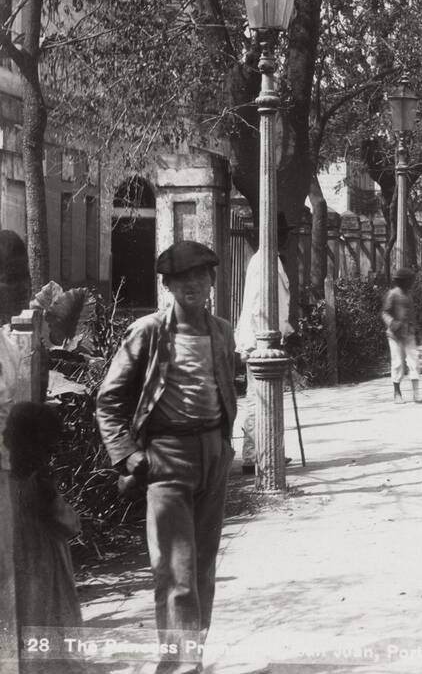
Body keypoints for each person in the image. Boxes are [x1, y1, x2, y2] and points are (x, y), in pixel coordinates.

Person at [96, 240, 238, 674]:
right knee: (175, 571)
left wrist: (227, 446)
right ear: (169, 287)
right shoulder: (149, 332)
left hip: (213, 455)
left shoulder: (222, 331)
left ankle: (192, 657)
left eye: (200, 276)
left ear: (213, 280)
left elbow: (225, 387)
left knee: (204, 569)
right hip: (167, 457)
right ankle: (179, 666)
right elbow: (109, 399)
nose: (193, 285)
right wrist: (128, 456)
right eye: (182, 279)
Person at [5, 401, 83, 669]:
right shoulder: (39, 486)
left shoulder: (7, 485)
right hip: (46, 573)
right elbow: (71, 525)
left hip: (17, 574)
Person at [233, 243, 292, 474]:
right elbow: (259, 305)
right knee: (258, 399)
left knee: (260, 399)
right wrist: (267, 339)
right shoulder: (263, 262)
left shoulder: (270, 260)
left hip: (262, 338)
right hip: (260, 340)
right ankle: (256, 456)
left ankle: (262, 453)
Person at [382, 267, 422, 403]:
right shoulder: (392, 294)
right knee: (397, 363)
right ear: (402, 282)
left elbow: (412, 314)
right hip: (395, 334)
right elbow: (385, 312)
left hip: (409, 332)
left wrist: (416, 330)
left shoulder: (409, 295)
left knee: (414, 361)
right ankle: (397, 393)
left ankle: (416, 393)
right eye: (410, 281)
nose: (411, 283)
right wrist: (393, 323)